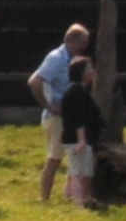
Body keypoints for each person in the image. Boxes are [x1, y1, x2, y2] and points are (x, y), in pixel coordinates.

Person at [27, 22, 90, 201]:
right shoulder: (56, 57)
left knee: (74, 155)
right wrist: (49, 106)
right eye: (84, 42)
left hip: (69, 115)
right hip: (57, 117)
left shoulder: (71, 59)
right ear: (73, 40)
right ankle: (44, 199)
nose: (86, 47)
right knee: (55, 158)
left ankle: (69, 195)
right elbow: (34, 81)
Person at [59, 56, 109, 207]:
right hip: (78, 139)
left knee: (76, 168)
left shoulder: (77, 90)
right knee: (82, 172)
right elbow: (79, 118)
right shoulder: (77, 91)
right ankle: (81, 201)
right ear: (81, 72)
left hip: (74, 138)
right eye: (89, 69)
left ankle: (70, 196)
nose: (93, 71)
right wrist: (82, 139)